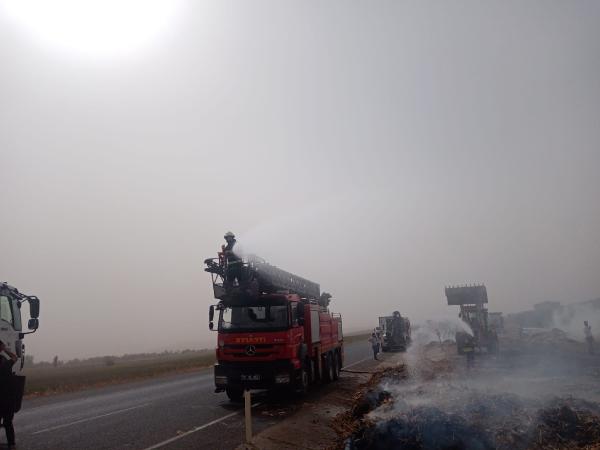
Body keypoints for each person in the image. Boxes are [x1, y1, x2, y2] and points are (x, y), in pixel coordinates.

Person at [0, 340, 18, 448]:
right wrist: (5, 350)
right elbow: (15, 358)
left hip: (4, 398)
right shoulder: (4, 361)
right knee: (8, 423)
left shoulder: (3, 361)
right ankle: (11, 444)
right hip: (6, 398)